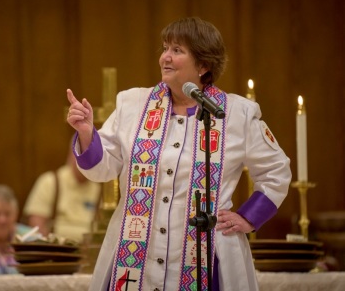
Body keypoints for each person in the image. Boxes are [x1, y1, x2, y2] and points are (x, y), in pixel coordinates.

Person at [66, 17, 291, 291]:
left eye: (177, 50)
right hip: (136, 257)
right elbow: (104, 169)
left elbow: (276, 170)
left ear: (203, 65)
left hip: (209, 259)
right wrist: (88, 133)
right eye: (164, 48)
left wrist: (247, 217)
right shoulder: (133, 104)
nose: (165, 58)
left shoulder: (236, 114)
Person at [23, 140, 101, 242]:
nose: (86, 160)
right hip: (56, 252)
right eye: (82, 154)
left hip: (90, 251)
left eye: (91, 156)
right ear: (71, 155)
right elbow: (36, 226)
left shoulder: (99, 189)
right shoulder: (50, 182)